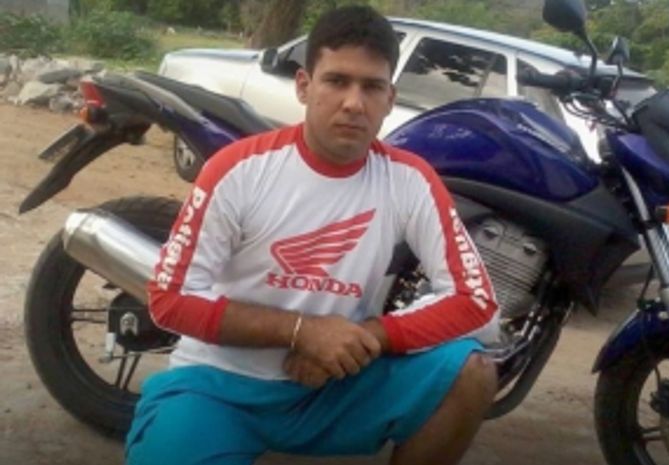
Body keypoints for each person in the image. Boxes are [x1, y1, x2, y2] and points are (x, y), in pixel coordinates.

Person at [126, 5, 500, 465]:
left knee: (472, 372)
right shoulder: (238, 169)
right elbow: (169, 298)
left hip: (334, 386)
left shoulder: (410, 180)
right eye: (337, 81)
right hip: (218, 386)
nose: (354, 103)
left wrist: (368, 337)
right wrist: (301, 332)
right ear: (304, 86)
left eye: (371, 87)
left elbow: (475, 300)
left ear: (390, 98)